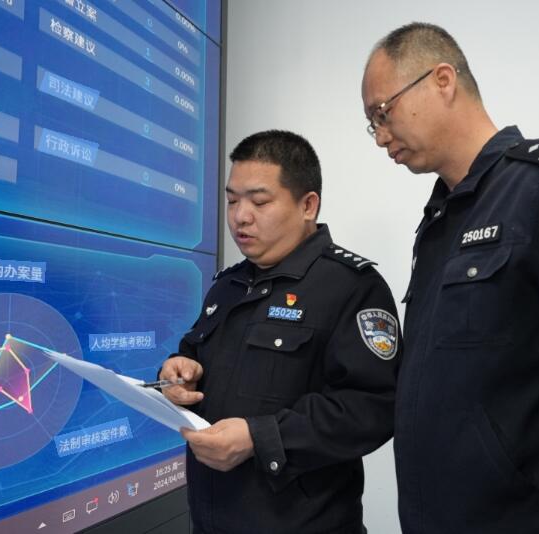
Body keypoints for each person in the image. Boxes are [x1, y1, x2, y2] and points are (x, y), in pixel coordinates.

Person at [360, 22, 539, 534]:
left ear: (442, 80)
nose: (381, 135)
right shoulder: (438, 222)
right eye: (372, 124)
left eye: (383, 112)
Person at [159, 130, 399, 534]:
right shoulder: (227, 285)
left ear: (308, 205)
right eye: (232, 201)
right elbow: (193, 353)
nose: (240, 216)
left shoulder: (352, 287)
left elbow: (373, 407)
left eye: (259, 201)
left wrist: (260, 438)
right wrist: (179, 370)